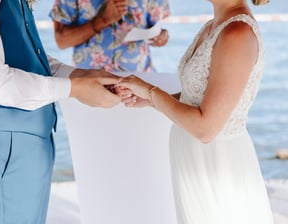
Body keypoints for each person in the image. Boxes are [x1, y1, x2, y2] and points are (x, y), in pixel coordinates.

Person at [0, 0, 121, 224]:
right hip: (4, 145)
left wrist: (80, 76)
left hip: (24, 142)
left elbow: (31, 60)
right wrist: (75, 89)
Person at [117, 0, 274, 223]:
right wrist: (150, 100)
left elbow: (206, 129)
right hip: (193, 161)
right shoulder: (215, 25)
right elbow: (198, 99)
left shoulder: (236, 33)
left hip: (216, 167)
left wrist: (152, 92)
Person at [49, 0, 170, 72]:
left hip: (141, 82)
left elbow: (155, 29)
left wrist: (160, 38)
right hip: (90, 85)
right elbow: (62, 40)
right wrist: (103, 19)